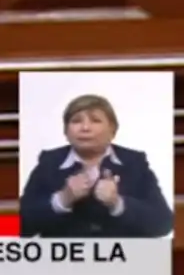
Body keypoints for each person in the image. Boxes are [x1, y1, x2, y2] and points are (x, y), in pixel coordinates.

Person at [19, 94, 173, 237]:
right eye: (76, 121)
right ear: (66, 131)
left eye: (95, 120)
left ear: (112, 129)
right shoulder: (49, 163)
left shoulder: (135, 163)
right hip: (65, 262)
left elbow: (163, 224)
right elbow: (19, 226)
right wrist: (61, 200)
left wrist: (117, 203)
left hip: (122, 262)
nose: (85, 128)